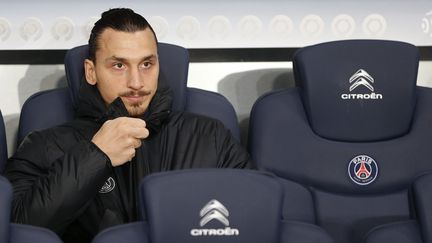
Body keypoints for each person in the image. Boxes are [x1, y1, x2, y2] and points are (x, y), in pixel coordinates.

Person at [4, 8, 253, 243]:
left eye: (146, 64)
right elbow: (15, 226)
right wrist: (94, 157)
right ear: (91, 72)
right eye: (119, 65)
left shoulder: (211, 136)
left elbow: (258, 215)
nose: (136, 82)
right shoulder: (45, 145)